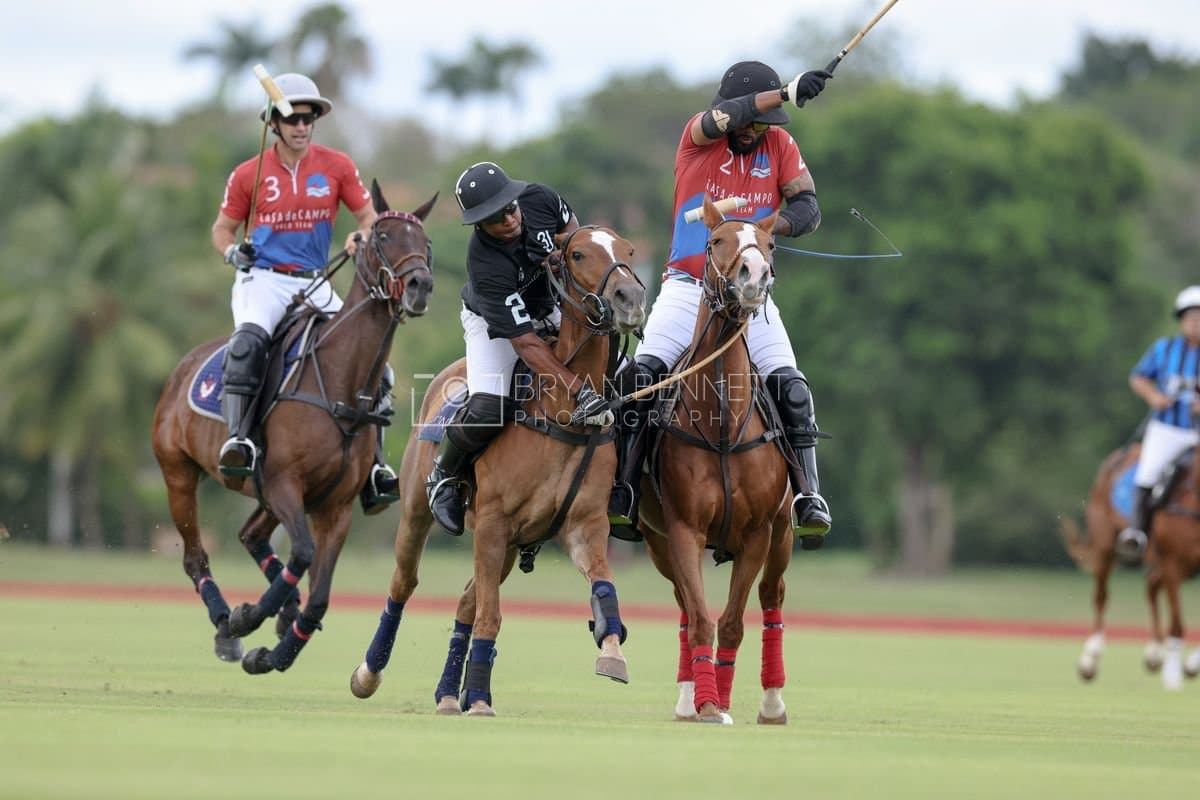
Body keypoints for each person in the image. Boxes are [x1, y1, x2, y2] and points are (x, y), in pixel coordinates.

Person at [610, 60, 834, 537]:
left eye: (764, 124)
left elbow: (809, 208)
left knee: (792, 387)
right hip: (688, 288)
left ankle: (808, 495)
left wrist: (764, 229)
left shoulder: (780, 144)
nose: (755, 129)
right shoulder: (698, 140)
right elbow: (726, 117)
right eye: (751, 120)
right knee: (641, 377)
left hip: (752, 295)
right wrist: (787, 92)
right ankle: (624, 488)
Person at [210, 72, 399, 514]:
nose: (301, 126)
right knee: (248, 344)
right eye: (292, 118)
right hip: (263, 280)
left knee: (378, 367)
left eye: (308, 118)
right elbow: (222, 230)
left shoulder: (336, 166)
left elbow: (368, 218)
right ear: (273, 123)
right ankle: (239, 440)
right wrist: (233, 252)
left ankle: (375, 465)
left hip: (315, 281)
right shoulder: (248, 173)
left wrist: (360, 237)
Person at [425, 161, 612, 536]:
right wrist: (577, 390)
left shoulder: (540, 198)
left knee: (622, 373)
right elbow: (526, 342)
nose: (508, 220)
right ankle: (443, 476)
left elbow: (574, 233)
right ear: (479, 225)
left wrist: (567, 258)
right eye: (495, 218)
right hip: (494, 324)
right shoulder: (485, 264)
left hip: (551, 304)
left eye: (509, 209)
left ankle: (628, 482)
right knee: (489, 406)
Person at [1116, 286, 1200, 562]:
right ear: (1181, 320)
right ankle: (1137, 532)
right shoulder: (1164, 349)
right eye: (1191, 317)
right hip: (1168, 429)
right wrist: (1154, 397)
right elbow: (1138, 377)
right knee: (1148, 473)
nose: (1196, 322)